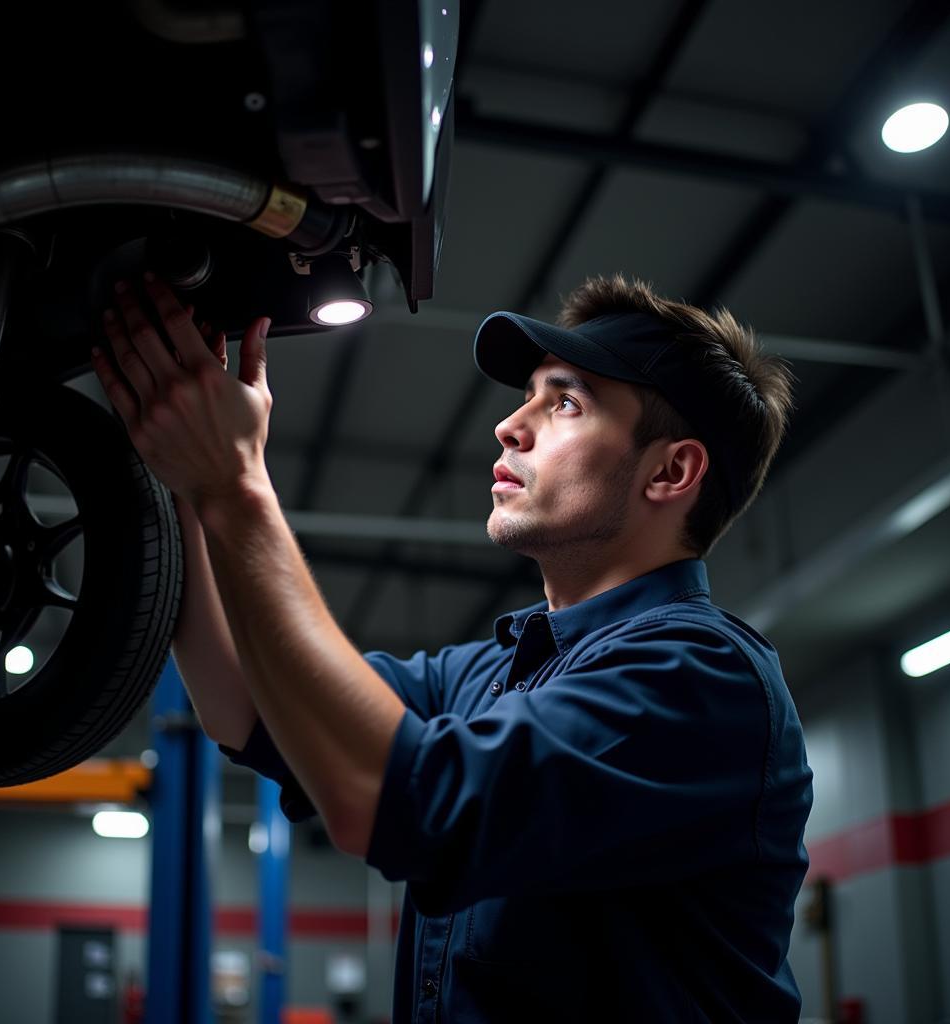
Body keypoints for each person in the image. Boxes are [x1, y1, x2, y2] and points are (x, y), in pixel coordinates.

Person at [90, 270, 814, 1022]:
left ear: (671, 471)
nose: (510, 424)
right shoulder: (489, 676)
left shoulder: (701, 678)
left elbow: (394, 798)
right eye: (527, 394)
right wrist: (180, 473)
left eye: (564, 401)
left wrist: (236, 485)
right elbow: (246, 704)